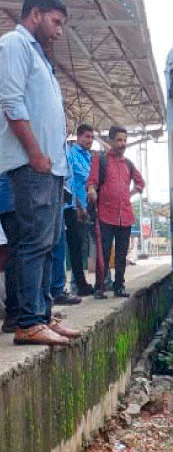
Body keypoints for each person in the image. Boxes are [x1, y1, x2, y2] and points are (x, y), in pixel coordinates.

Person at [0, 0, 79, 345]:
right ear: (36, 14)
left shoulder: (40, 56)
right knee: (34, 242)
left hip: (51, 167)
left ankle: (43, 316)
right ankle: (28, 322)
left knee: (48, 244)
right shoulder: (14, 45)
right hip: (32, 165)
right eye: (56, 22)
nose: (59, 31)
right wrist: (35, 154)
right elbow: (12, 103)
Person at [86, 126, 145, 299]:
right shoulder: (101, 159)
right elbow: (92, 180)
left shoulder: (128, 164)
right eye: (119, 140)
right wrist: (92, 190)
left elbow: (140, 182)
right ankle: (100, 287)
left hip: (125, 216)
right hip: (105, 214)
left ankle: (119, 286)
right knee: (103, 253)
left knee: (121, 254)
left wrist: (129, 194)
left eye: (125, 140)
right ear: (111, 141)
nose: (122, 143)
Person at [64, 123, 95, 296]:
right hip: (74, 207)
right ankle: (78, 284)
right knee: (74, 245)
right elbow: (72, 181)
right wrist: (78, 206)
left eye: (91, 137)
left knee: (82, 245)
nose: (89, 140)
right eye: (86, 137)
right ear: (78, 136)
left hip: (88, 207)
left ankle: (81, 282)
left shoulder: (88, 157)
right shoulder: (71, 154)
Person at [48, 177, 81, 305]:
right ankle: (52, 293)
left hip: (58, 196)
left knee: (58, 245)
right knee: (47, 247)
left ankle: (57, 291)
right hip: (46, 191)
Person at [0, 172, 18, 333]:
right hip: (11, 199)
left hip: (12, 198)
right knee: (16, 254)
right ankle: (14, 313)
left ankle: (15, 313)